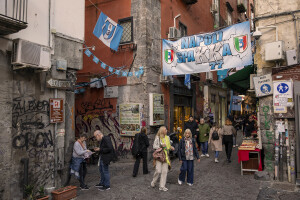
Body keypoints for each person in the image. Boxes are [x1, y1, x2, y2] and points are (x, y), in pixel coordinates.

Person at [151, 126, 175, 192]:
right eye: (165, 130)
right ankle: (153, 182)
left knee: (165, 171)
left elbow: (168, 146)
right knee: (158, 170)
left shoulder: (168, 137)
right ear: (162, 131)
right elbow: (154, 146)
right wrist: (161, 146)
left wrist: (171, 147)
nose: (166, 130)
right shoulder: (158, 138)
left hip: (166, 156)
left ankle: (162, 186)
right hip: (159, 156)